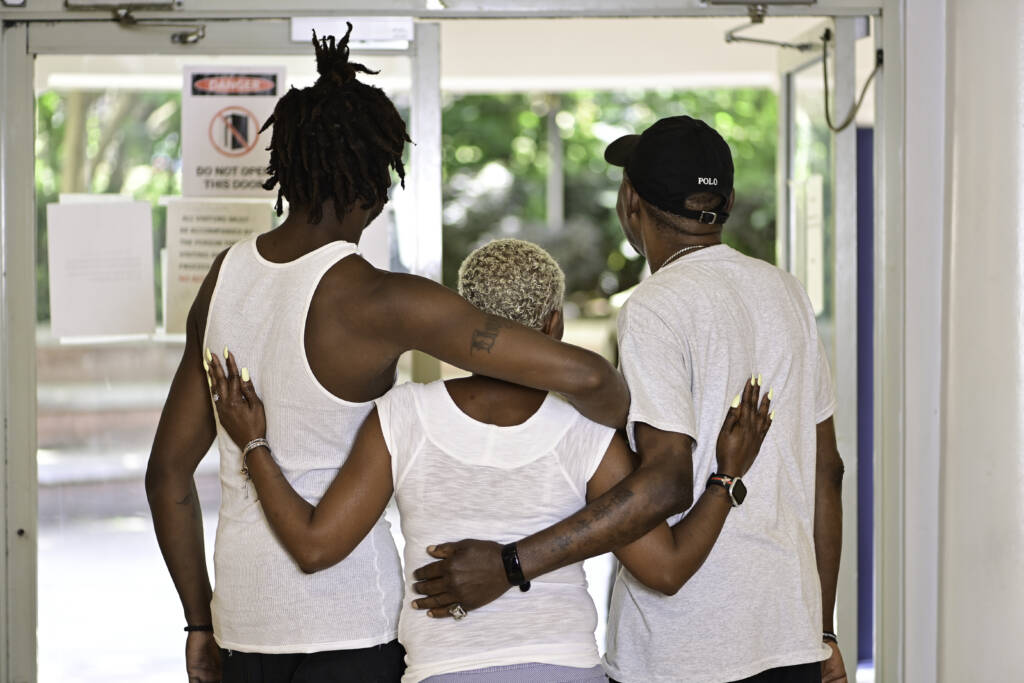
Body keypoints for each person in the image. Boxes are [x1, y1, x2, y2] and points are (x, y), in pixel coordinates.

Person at [145, 29, 628, 683]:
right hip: (352, 627)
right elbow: (585, 373)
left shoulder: (224, 279)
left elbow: (168, 473)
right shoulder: (380, 298)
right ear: (374, 180)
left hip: (243, 627)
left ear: (286, 166)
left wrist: (199, 623)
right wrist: (607, 425)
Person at [204, 238, 773, 683]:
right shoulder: (588, 430)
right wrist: (726, 476)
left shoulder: (402, 415)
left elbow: (314, 546)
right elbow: (665, 570)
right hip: (565, 668)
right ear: (554, 327)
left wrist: (254, 443)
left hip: (444, 671)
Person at [410, 117, 849, 683]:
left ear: (630, 202)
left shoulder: (655, 307)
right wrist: (821, 630)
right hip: (788, 639)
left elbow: (663, 485)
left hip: (683, 651)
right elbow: (827, 471)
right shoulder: (787, 293)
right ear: (729, 201)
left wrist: (511, 563)